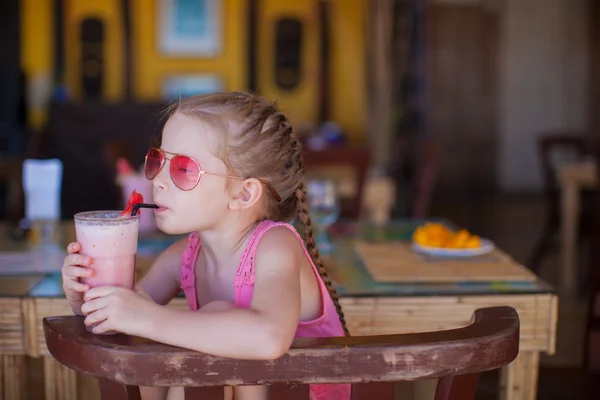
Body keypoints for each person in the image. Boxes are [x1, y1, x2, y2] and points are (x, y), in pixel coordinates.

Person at [61, 92, 351, 400]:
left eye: (184, 169)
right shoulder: (184, 257)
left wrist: (146, 317)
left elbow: (269, 338)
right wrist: (88, 300)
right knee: (161, 342)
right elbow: (126, 318)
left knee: (210, 318)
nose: (157, 179)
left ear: (243, 194)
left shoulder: (275, 245)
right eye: (158, 161)